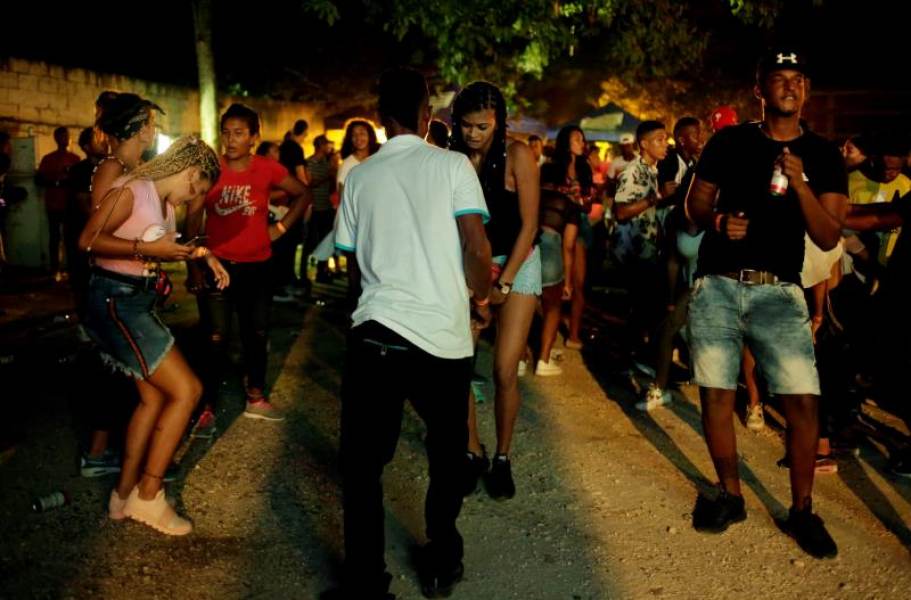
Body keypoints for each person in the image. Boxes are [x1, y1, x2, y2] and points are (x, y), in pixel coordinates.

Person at [328, 67, 492, 600]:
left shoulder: (358, 176)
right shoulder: (453, 167)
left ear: (379, 120)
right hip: (441, 338)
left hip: (375, 333)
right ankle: (442, 560)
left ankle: (365, 583)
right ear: (428, 117)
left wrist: (365, 308)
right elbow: (476, 247)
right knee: (446, 456)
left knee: (362, 466)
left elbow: (351, 267)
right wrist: (481, 297)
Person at [685, 48, 847, 559]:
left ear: (807, 90)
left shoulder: (822, 156)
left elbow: (827, 235)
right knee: (715, 394)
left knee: (802, 402)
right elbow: (695, 204)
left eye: (797, 79)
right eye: (778, 79)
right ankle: (730, 495)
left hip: (780, 291)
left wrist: (799, 182)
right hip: (718, 282)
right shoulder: (729, 141)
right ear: (760, 88)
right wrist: (715, 223)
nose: (789, 87)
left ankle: (802, 510)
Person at [77, 136, 227, 535]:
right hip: (115, 302)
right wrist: (148, 254)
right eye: (195, 189)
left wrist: (202, 254)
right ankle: (149, 496)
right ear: (190, 172)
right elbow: (88, 240)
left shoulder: (161, 202)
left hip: (135, 303)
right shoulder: (132, 189)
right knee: (188, 391)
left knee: (155, 396)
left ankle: (122, 497)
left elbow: (164, 242)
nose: (189, 199)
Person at [186, 103, 311, 428]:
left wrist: (280, 229)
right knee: (215, 337)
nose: (230, 140)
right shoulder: (210, 169)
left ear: (254, 137)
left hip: (257, 266)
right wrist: (194, 266)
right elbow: (193, 217)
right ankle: (206, 404)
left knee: (256, 333)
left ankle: (255, 395)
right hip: (217, 268)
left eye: (239, 133)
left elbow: (303, 194)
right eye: (226, 132)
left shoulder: (267, 168)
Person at [451, 81, 540, 500]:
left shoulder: (518, 154)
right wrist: (477, 285)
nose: (473, 133)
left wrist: (503, 283)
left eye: (482, 125)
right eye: (466, 125)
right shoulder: (452, 159)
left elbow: (530, 225)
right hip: (471, 266)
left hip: (518, 261)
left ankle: (503, 456)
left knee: (505, 369)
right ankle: (472, 451)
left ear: (499, 122)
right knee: (460, 367)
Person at [612, 120, 671, 389]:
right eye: (659, 139)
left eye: (665, 138)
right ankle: (625, 363)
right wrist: (656, 197)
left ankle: (631, 358)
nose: (665, 144)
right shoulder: (632, 171)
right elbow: (621, 211)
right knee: (640, 307)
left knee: (644, 308)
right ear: (644, 144)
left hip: (646, 248)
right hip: (632, 251)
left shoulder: (651, 171)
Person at [541, 125, 597, 354]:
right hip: (553, 222)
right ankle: (545, 331)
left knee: (578, 282)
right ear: (565, 141)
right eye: (577, 138)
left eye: (583, 139)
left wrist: (580, 198)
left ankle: (573, 333)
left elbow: (589, 204)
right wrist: (563, 191)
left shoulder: (585, 168)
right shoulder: (550, 166)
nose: (581, 142)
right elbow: (542, 191)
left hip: (578, 224)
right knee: (547, 283)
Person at [36, 127, 81, 279]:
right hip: (53, 204)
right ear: (56, 139)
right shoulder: (48, 159)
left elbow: (78, 182)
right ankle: (55, 269)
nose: (66, 139)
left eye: (67, 136)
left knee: (71, 238)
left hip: (70, 205)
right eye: (62, 136)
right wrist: (57, 182)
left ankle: (70, 268)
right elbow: (39, 179)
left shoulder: (75, 159)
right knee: (54, 238)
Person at [303, 135, 337, 283]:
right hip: (315, 207)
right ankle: (304, 275)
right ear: (320, 145)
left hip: (327, 207)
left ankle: (322, 272)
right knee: (310, 242)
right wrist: (327, 177)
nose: (329, 147)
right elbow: (309, 184)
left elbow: (331, 185)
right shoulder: (309, 162)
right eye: (326, 144)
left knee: (326, 243)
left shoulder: (326, 163)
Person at [337, 119, 381, 198]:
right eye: (354, 135)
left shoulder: (378, 158)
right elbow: (343, 198)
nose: (358, 138)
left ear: (370, 135)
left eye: (362, 133)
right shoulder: (347, 164)